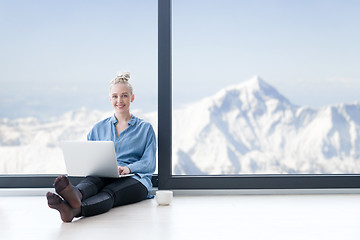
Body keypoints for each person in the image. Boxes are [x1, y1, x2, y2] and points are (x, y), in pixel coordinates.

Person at [46, 72, 156, 222]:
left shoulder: (145, 128)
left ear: (132, 97)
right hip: (105, 175)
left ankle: (74, 210)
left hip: (136, 179)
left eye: (124, 95)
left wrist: (128, 169)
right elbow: (89, 157)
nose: (119, 100)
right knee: (90, 183)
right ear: (110, 98)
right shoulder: (98, 128)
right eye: (115, 96)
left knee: (109, 193)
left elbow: (149, 162)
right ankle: (75, 195)